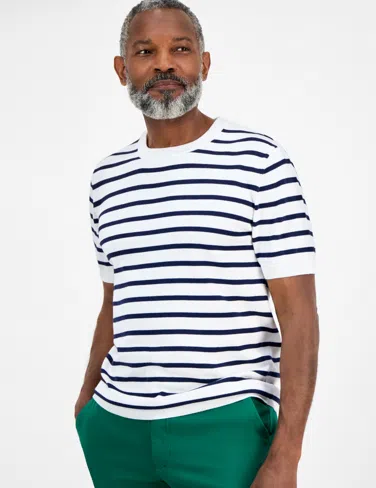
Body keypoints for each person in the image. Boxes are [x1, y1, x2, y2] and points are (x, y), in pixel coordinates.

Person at [74, 1, 320, 487]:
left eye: (181, 49)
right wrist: (87, 402)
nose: (164, 64)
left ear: (204, 63)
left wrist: (287, 454)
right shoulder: (107, 178)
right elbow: (113, 302)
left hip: (223, 425)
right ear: (122, 69)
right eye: (145, 51)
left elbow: (299, 316)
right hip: (117, 429)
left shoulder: (259, 161)